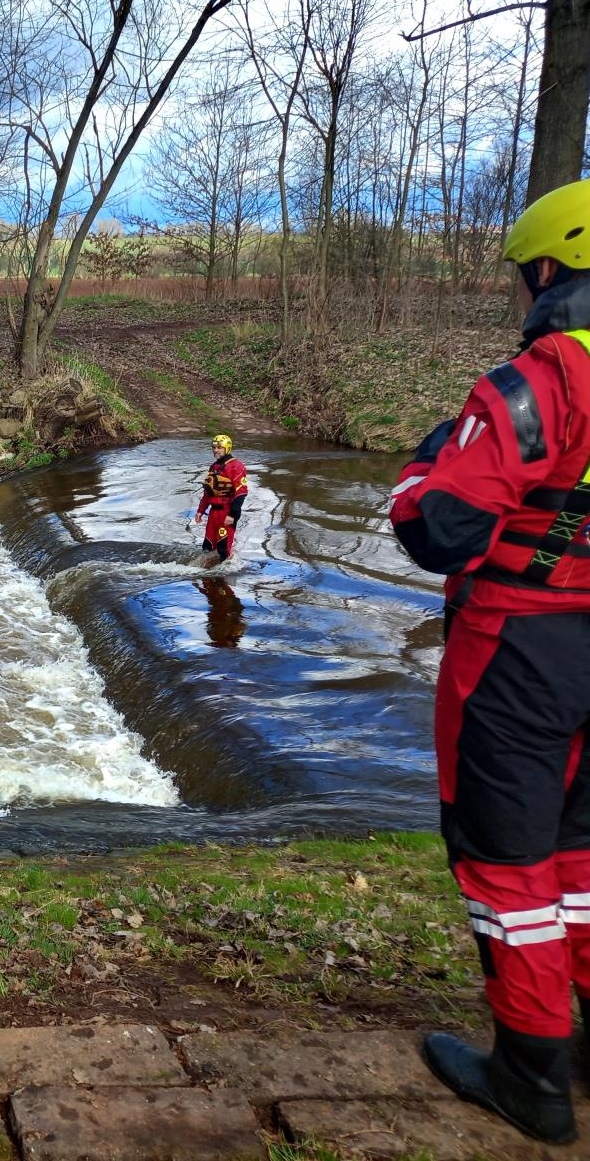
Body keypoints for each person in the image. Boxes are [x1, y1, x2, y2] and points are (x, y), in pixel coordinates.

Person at [389, 176, 590, 1146]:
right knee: (585, 855)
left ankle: (530, 1077)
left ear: (550, 269)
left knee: (507, 862)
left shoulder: (545, 376)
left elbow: (440, 531)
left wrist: (423, 468)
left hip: (521, 650)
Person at [194, 434, 248, 563]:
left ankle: (224, 578)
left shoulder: (236, 466)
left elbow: (241, 493)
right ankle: (208, 576)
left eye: (219, 447)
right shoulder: (214, 467)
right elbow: (208, 492)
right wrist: (200, 511)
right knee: (207, 547)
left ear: (227, 448)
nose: (215, 450)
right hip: (213, 513)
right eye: (214, 447)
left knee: (224, 549)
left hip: (227, 512)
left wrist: (232, 514)